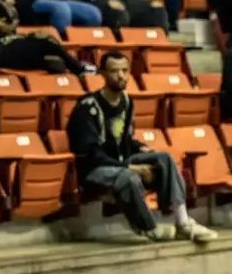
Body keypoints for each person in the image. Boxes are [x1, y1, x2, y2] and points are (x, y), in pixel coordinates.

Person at [66, 51, 218, 243]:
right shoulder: (87, 107)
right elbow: (90, 153)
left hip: (120, 162)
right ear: (102, 74)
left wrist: (141, 148)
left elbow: (124, 140)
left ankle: (183, 222)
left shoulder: (127, 102)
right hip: (94, 171)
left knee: (163, 158)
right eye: (114, 71)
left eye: (124, 71)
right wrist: (130, 167)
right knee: (127, 177)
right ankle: (149, 228)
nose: (121, 76)